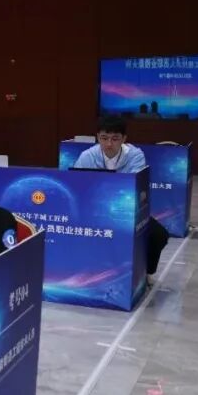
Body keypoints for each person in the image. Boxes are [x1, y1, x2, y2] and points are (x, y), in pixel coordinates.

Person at [73, 116, 169, 277]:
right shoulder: (87, 156)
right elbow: (77, 186)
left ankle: (145, 273)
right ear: (97, 137)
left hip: (127, 211)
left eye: (115, 139)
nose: (109, 144)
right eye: (104, 138)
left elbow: (136, 188)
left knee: (159, 235)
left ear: (124, 139)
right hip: (94, 212)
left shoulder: (135, 156)